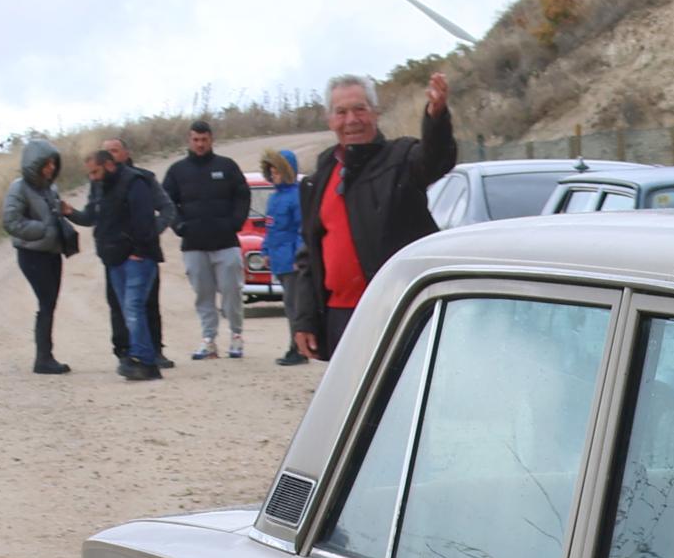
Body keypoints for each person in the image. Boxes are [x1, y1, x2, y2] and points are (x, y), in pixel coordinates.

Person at [290, 68, 455, 362]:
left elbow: (436, 158)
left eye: (360, 109)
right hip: (340, 318)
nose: (351, 120)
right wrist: (303, 320)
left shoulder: (401, 159)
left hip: (396, 310)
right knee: (351, 404)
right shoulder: (318, 179)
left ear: (375, 113)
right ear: (330, 120)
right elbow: (309, 257)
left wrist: (436, 116)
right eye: (341, 112)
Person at [78, 138, 176, 382]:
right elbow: (96, 217)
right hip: (115, 259)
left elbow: (149, 217)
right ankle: (135, 356)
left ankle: (147, 360)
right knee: (126, 310)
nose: (92, 177)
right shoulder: (102, 186)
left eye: (95, 171)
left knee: (135, 308)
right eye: (89, 173)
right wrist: (70, 213)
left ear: (112, 162)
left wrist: (141, 248)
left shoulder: (138, 181)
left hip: (138, 258)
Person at [162, 119, 253, 360]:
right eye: (195, 140)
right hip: (194, 244)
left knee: (231, 290)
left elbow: (243, 196)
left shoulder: (227, 166)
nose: (200, 144)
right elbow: (165, 202)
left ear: (211, 139)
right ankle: (209, 340)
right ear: (189, 140)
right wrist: (179, 226)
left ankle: (236, 336)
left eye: (204, 140)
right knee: (203, 294)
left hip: (226, 242)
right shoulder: (177, 171)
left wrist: (235, 223)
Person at [0, 138, 77, 375]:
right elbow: (10, 221)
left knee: (49, 304)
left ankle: (45, 356)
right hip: (32, 254)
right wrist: (42, 230)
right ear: (34, 163)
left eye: (54, 163)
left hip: (52, 253)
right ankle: (43, 358)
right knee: (46, 303)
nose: (51, 167)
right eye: (47, 163)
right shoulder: (18, 188)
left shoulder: (50, 189)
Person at [255, 148, 307, 364]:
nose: (273, 175)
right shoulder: (275, 198)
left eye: (277, 171)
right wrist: (265, 251)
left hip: (292, 261)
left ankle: (299, 349)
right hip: (279, 260)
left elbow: (301, 229)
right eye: (271, 171)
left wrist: (299, 257)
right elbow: (272, 229)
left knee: (296, 307)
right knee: (289, 305)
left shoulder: (296, 197)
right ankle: (294, 345)